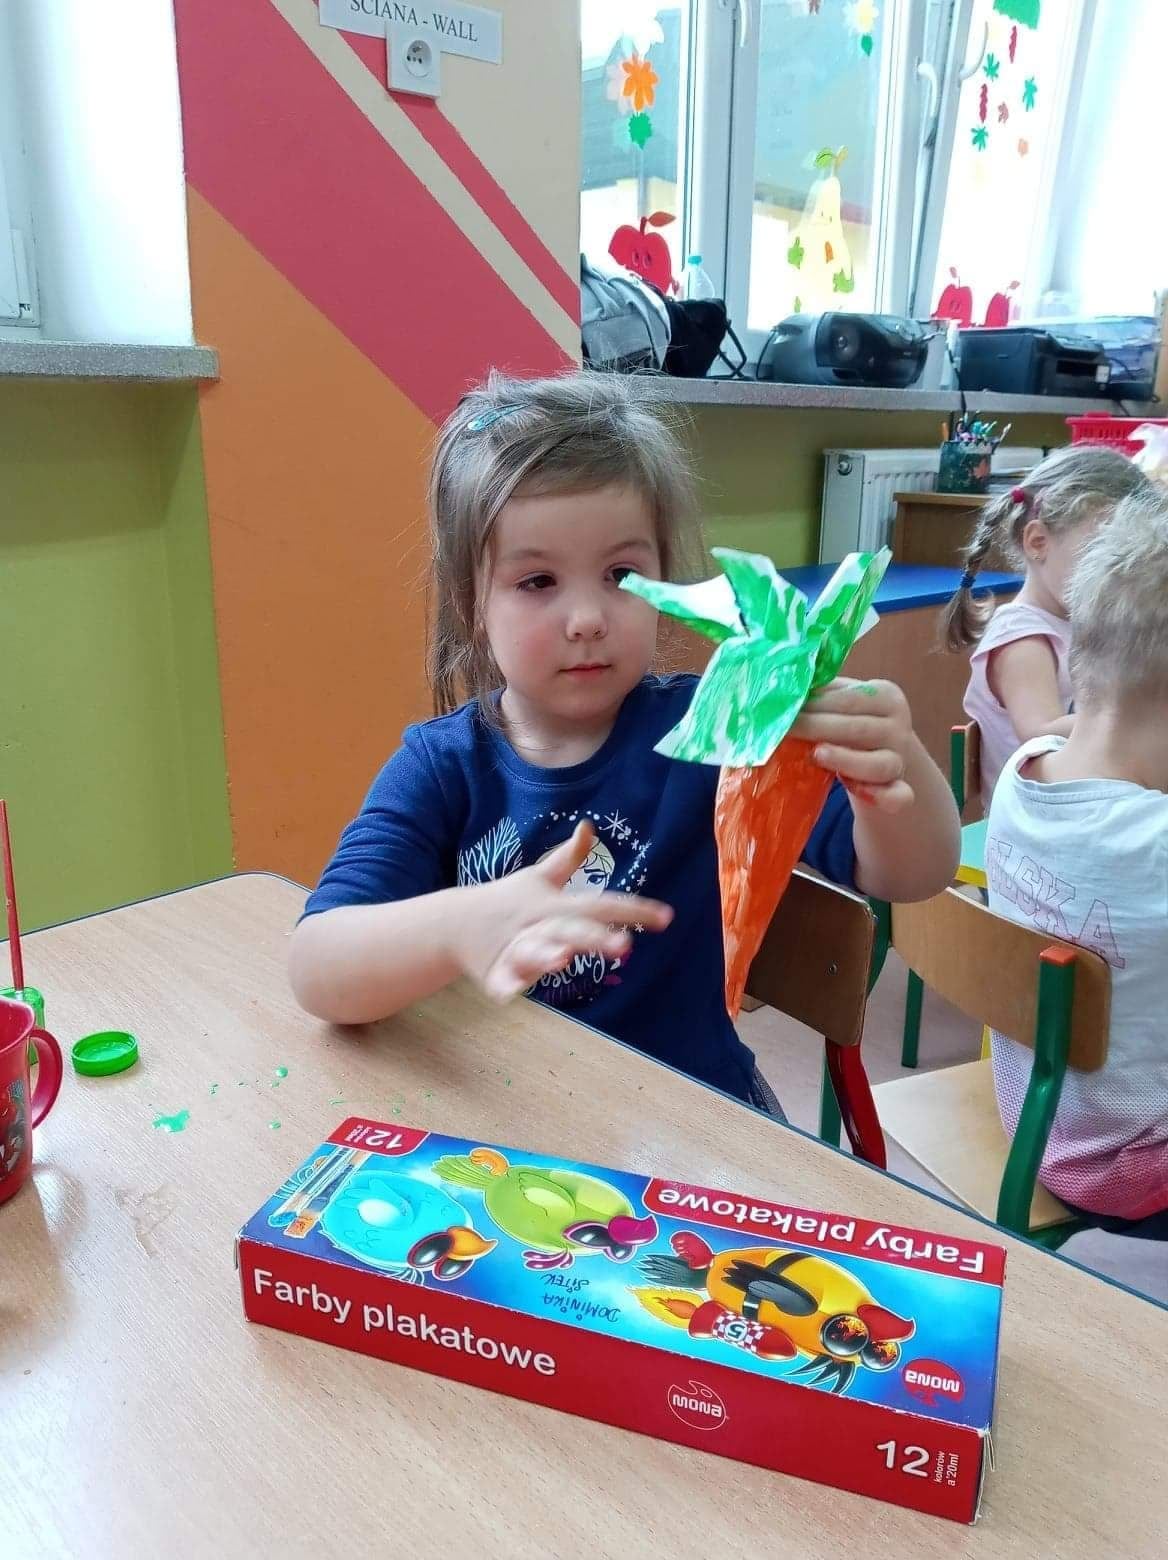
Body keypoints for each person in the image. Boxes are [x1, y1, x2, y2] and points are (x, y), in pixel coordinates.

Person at [289, 372, 959, 1111]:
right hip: (511, 1121)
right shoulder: (442, 767)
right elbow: (317, 970)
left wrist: (890, 771)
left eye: (620, 574)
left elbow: (912, 873)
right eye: (537, 581)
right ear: (471, 603)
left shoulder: (719, 726)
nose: (587, 618)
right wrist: (464, 923)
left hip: (692, 1116)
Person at [985, 489, 1168, 1233]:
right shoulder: (1154, 842)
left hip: (1035, 1112)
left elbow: (1073, 728)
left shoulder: (1022, 770)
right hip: (1133, 1163)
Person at [944, 445, 1150, 802]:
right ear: (1038, 542)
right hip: (1038, 819)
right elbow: (1040, 733)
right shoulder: (1022, 637)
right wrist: (1135, 721)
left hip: (1080, 801)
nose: (1119, 574)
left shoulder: (1082, 621)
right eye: (1102, 554)